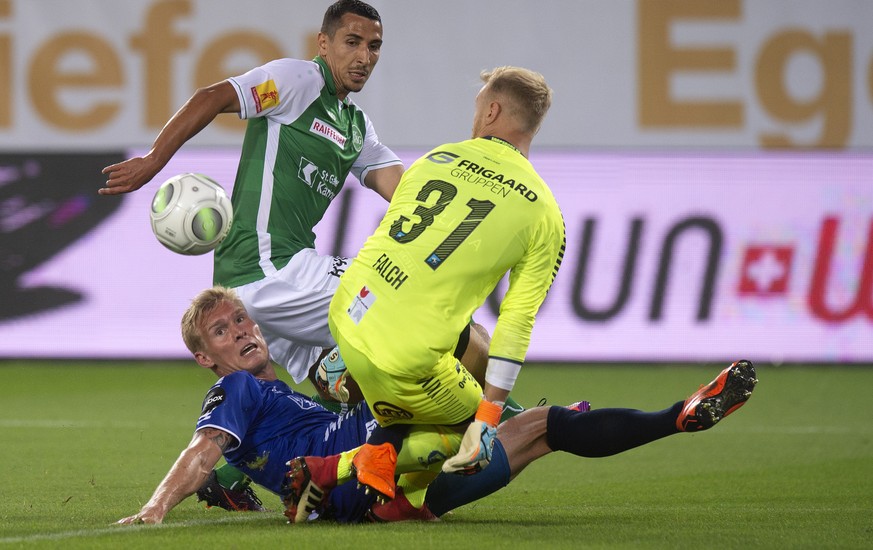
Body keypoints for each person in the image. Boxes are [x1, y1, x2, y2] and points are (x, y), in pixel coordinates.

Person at [117, 286, 757, 525]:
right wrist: (154, 508)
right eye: (223, 333)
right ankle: (485, 413)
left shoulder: (273, 394)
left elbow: (239, 456)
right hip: (374, 457)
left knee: (549, 427)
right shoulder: (236, 389)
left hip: (397, 481)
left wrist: (235, 482)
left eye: (242, 320)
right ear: (206, 358)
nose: (243, 332)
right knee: (428, 345)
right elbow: (204, 449)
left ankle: (678, 415)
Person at [288, 65, 562, 515]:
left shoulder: (439, 157)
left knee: (456, 348)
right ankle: (340, 469)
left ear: (492, 110)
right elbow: (518, 319)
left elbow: (395, 245)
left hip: (349, 313)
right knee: (489, 430)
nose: (475, 115)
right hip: (406, 351)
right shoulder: (542, 207)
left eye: (478, 107)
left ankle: (397, 492)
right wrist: (490, 416)